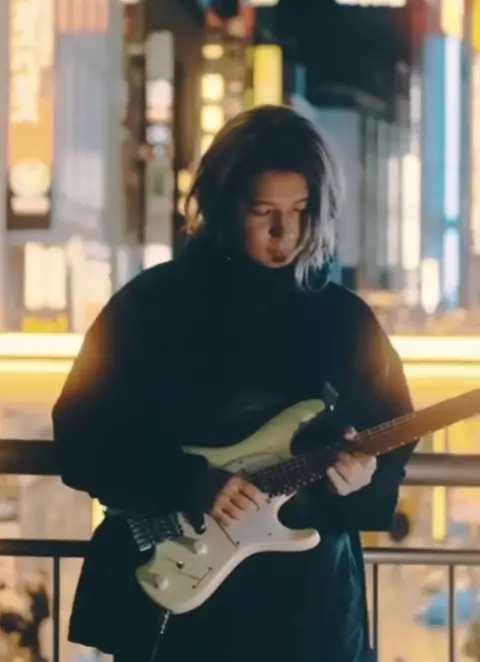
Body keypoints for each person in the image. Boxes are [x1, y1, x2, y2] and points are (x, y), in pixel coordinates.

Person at [52, 105, 415, 662]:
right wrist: (189, 483)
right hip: (182, 603)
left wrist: (360, 480)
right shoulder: (151, 307)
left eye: (302, 210)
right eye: (263, 210)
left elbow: (391, 441)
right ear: (222, 207)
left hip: (308, 610)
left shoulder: (347, 322)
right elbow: (80, 435)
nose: (285, 231)